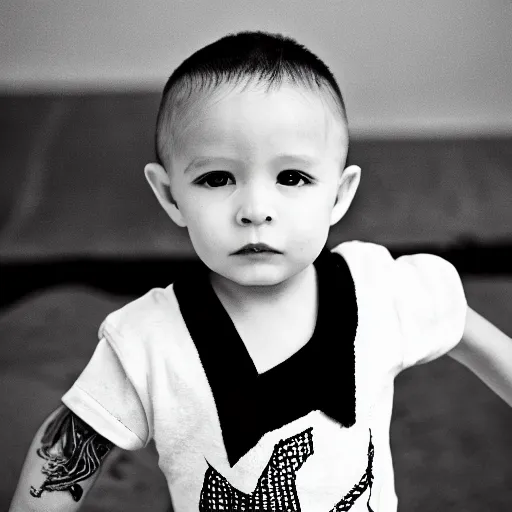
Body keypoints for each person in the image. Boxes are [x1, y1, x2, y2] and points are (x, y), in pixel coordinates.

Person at [9, 30, 512, 512]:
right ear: (169, 195)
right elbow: (61, 454)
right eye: (216, 177)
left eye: (292, 177)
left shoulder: (380, 290)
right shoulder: (148, 340)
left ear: (339, 194)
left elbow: (475, 338)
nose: (255, 209)